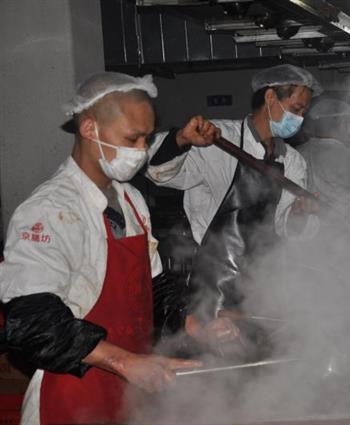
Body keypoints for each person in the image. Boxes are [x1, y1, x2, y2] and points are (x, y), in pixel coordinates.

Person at [0, 72, 200, 425]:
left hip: (130, 392)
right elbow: (32, 323)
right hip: (73, 393)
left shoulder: (131, 199)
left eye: (147, 139)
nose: (142, 151)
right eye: (132, 138)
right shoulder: (48, 210)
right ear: (90, 128)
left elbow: (153, 289)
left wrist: (194, 321)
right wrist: (124, 362)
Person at [146, 64, 322, 351]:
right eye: (296, 108)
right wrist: (182, 140)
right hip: (209, 287)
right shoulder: (217, 140)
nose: (300, 118)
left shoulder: (292, 161)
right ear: (270, 98)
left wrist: (299, 215)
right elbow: (159, 173)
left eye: (304, 112)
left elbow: (285, 230)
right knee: (215, 363)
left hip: (260, 285)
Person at [298, 98, 350, 223]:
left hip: (305, 229)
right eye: (348, 122)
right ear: (342, 124)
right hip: (341, 230)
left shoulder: (297, 153)